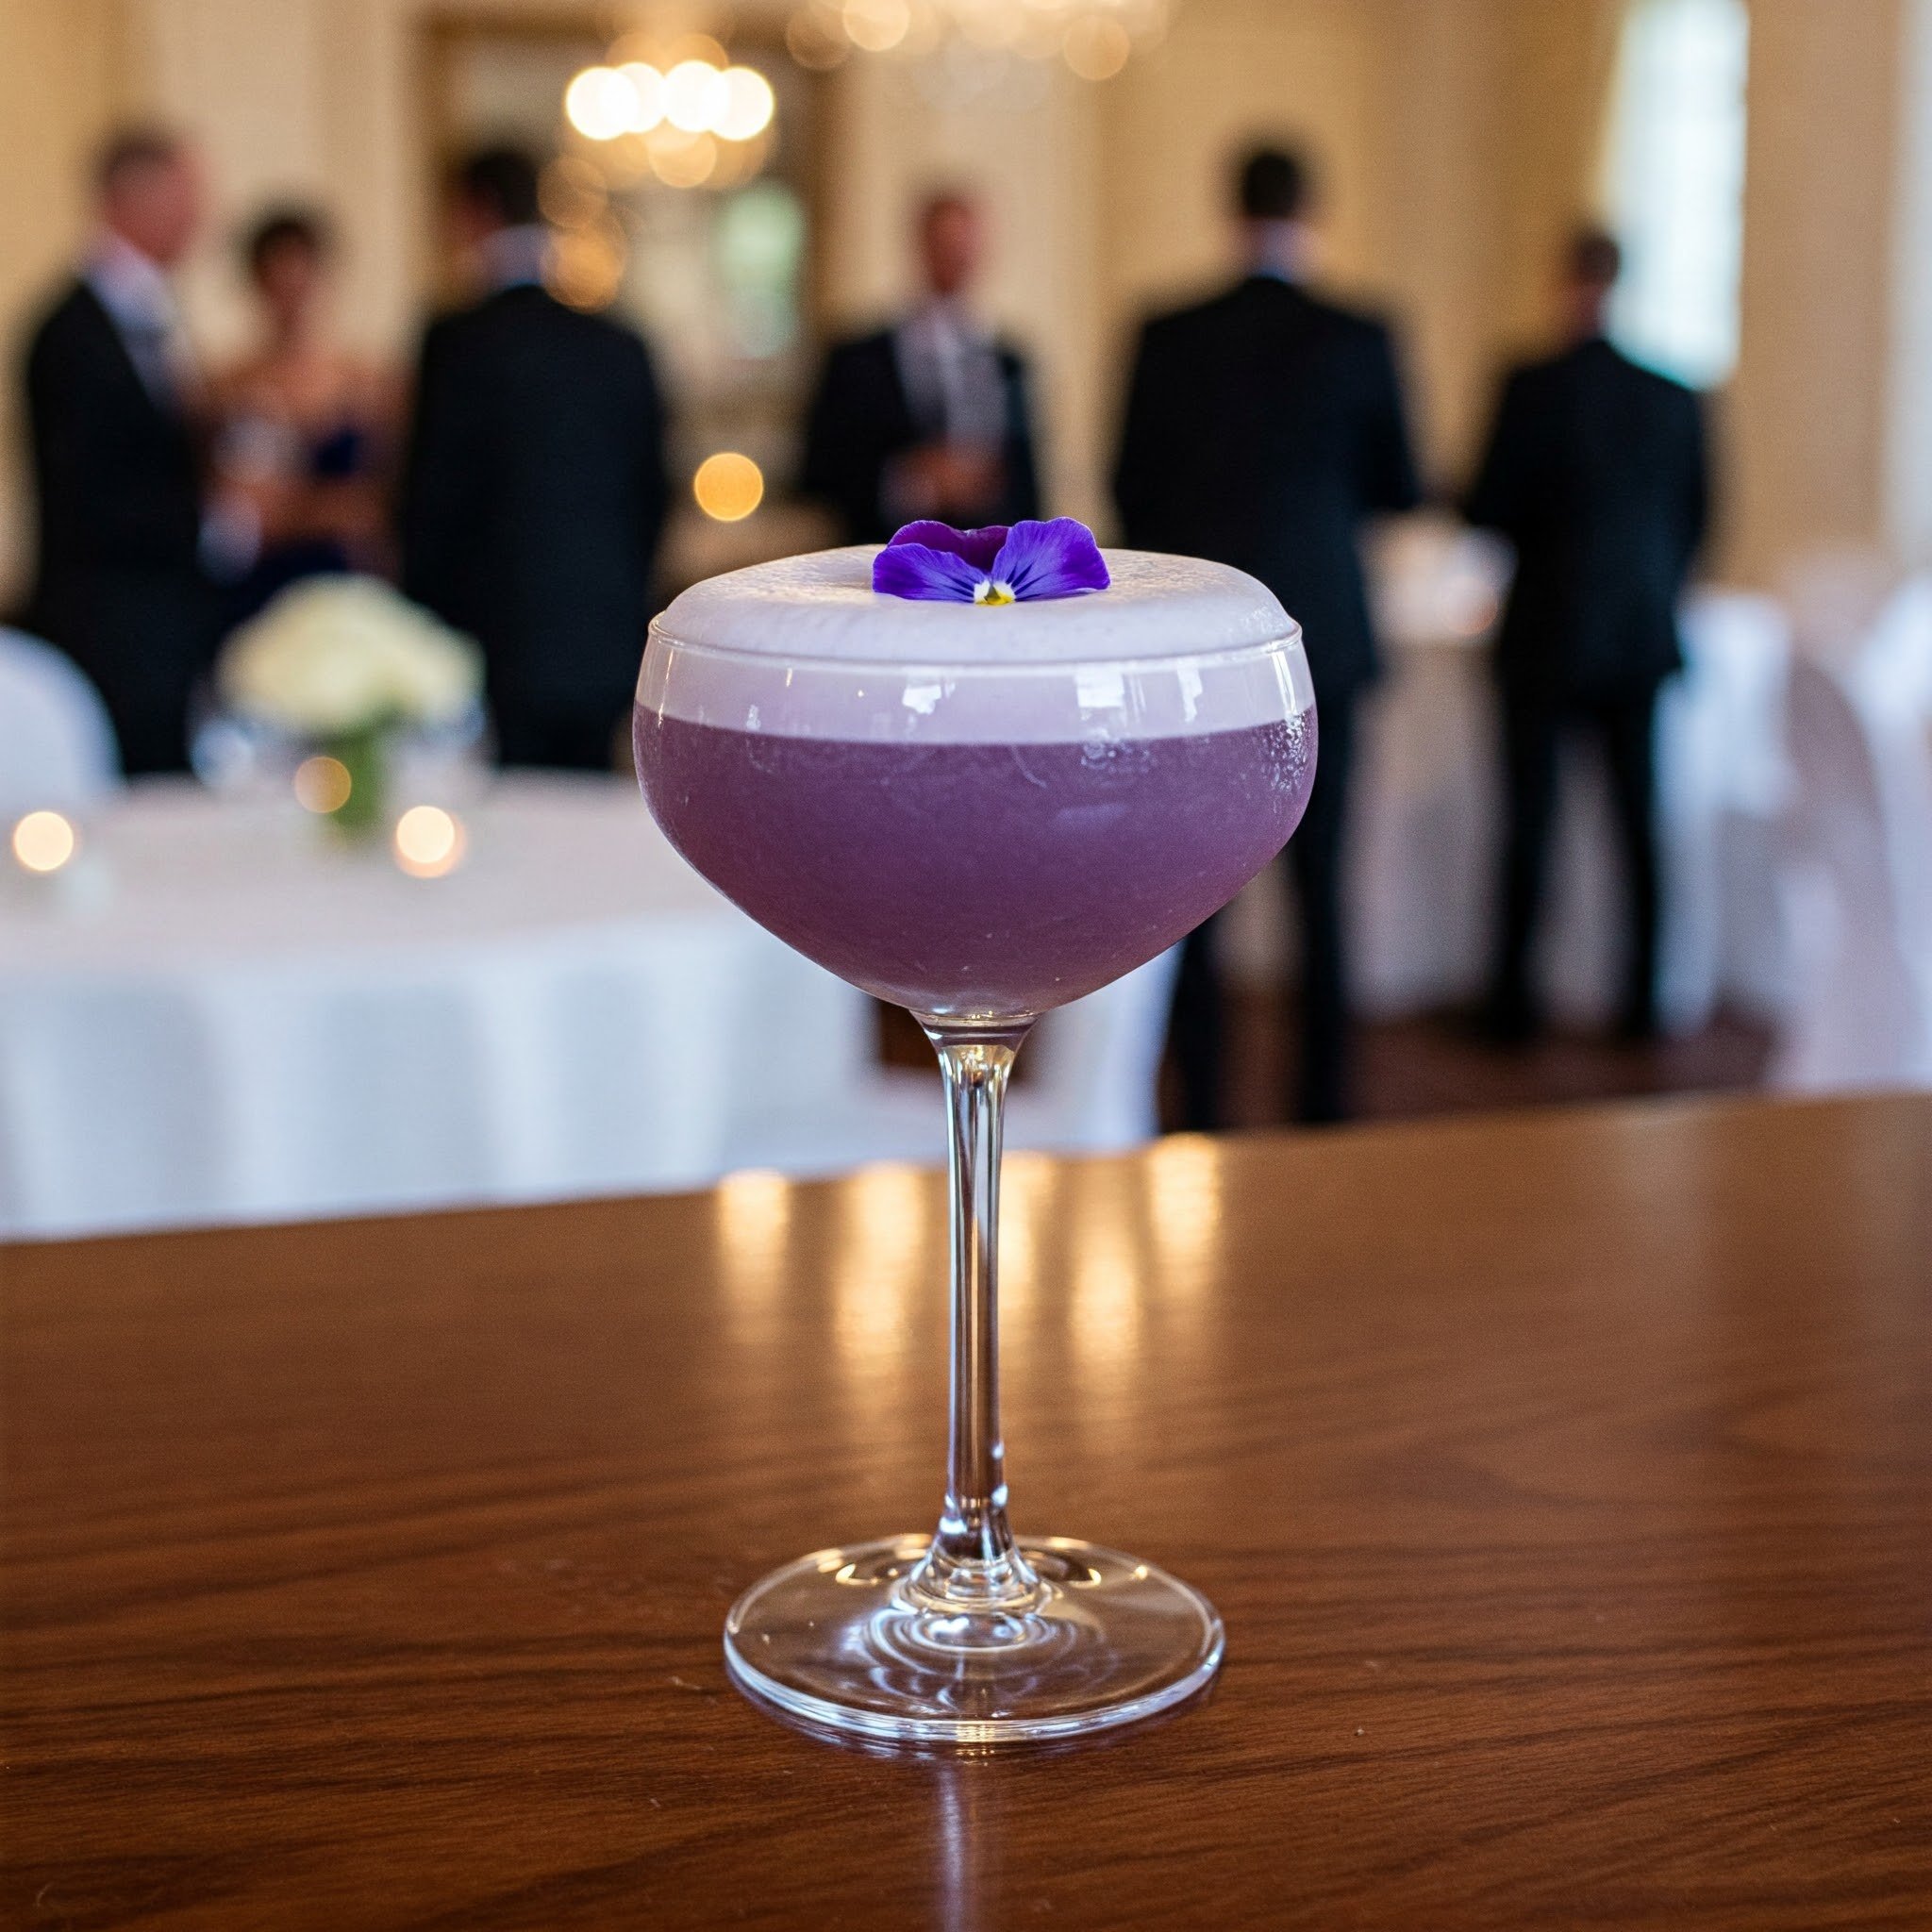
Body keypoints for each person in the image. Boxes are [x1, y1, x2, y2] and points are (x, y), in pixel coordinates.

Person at [1113, 144, 1421, 1125]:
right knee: (1322, 888)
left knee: (1193, 896)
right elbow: (1401, 486)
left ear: (1230, 206)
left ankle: (1197, 1109)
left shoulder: (1167, 334)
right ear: (1310, 210)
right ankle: (1322, 1111)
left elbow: (1128, 487)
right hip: (1321, 639)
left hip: (1200, 648)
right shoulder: (1359, 334)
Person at [1463, 226, 1709, 1044]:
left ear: (1563, 281)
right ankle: (1644, 1003)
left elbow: (1487, 506)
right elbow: (1701, 517)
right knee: (1639, 823)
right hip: (1637, 631)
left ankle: (1513, 1006)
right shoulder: (1672, 394)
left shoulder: (1531, 387)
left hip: (1547, 628)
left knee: (1529, 824)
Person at [399, 145, 669, 770]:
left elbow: (432, 501)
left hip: (492, 638)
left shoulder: (455, 343)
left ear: (473, 211)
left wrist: (421, 620)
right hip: (602, 631)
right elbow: (654, 494)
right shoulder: (621, 344)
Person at [15, 128, 237, 774]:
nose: (201, 217)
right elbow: (92, 495)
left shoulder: (152, 316)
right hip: (111, 632)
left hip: (163, 626)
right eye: (187, 197)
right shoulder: (70, 333)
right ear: (133, 199)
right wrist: (224, 523)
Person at [800, 191, 1040, 543]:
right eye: (944, 246)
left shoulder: (1010, 361)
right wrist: (911, 481)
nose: (955, 258)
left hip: (987, 562)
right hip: (882, 556)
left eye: (964, 247)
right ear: (920, 245)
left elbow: (1030, 486)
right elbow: (819, 473)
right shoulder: (856, 360)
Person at [212, 207, 396, 623]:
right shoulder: (228, 388)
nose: (293, 299)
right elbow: (240, 515)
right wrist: (331, 509)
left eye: (303, 281)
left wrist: (293, 506)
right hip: (259, 591)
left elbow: (381, 506)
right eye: (280, 284)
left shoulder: (371, 385)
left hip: (349, 587)